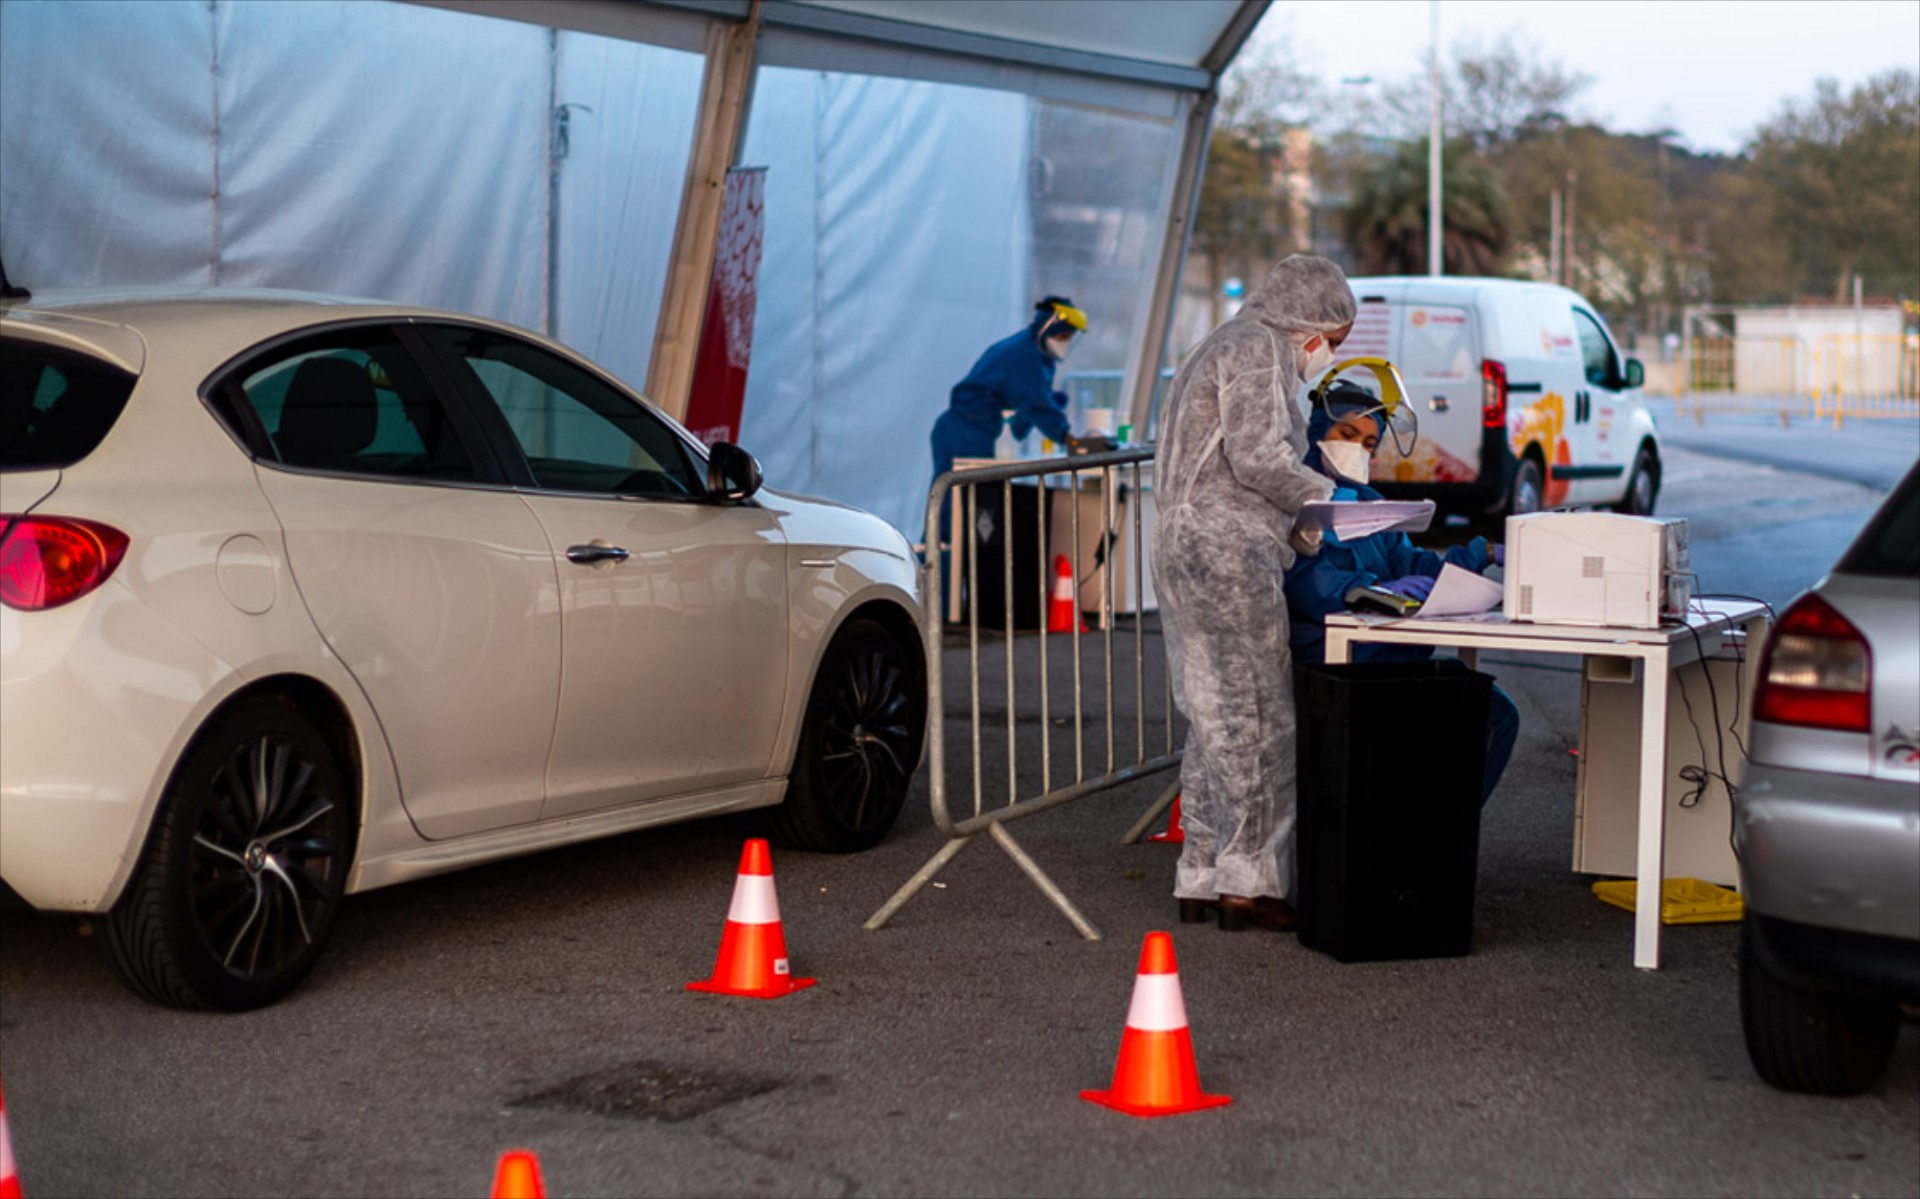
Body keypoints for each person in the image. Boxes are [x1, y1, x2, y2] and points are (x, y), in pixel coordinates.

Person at [1152, 254, 1355, 935]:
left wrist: (1296, 531)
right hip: (1228, 549)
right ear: (1311, 322)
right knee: (1261, 716)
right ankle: (1251, 881)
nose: (1328, 354)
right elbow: (1259, 455)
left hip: (1181, 544)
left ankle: (1202, 872)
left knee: (1211, 716)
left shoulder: (1214, 346)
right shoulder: (1262, 349)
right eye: (1335, 338)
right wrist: (1329, 501)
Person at [1282, 378, 1521, 804]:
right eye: (1347, 434)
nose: (1358, 449)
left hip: (1387, 659)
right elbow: (1309, 584)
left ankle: (1442, 834)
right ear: (1318, 429)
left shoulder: (1368, 503)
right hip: (1334, 667)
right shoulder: (1295, 501)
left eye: (1369, 443)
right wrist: (1373, 590)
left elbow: (1415, 565)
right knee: (1481, 716)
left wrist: (1479, 553)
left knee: (1494, 714)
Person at [929, 296, 1085, 481]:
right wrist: (1068, 439)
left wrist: (1051, 405)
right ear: (1048, 328)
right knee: (957, 502)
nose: (1065, 342)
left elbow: (1028, 402)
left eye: (1069, 338)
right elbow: (1035, 402)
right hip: (963, 433)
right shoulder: (1024, 354)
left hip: (975, 430)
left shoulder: (1035, 351)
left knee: (975, 501)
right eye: (1063, 336)